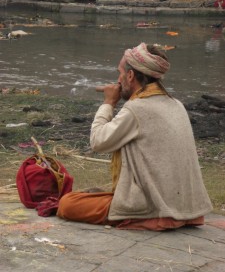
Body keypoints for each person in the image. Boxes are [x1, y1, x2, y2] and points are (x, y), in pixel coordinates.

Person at [57, 42, 213, 230]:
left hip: (155, 208)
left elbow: (97, 141)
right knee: (93, 195)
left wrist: (108, 103)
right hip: (188, 207)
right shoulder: (176, 104)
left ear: (130, 76)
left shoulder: (136, 108)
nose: (118, 79)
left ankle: (140, 217)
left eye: (120, 73)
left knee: (68, 203)